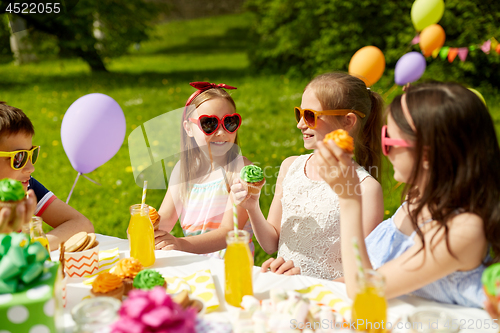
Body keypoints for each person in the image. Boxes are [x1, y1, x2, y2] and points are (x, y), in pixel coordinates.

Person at [316, 82, 500, 308]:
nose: (384, 149)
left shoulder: (462, 231)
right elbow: (379, 272)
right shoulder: (417, 200)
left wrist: (348, 198)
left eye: (388, 140)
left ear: (426, 154)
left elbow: (364, 289)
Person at [232, 73, 384, 280]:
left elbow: (361, 273)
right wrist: (252, 207)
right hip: (285, 291)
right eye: (299, 114)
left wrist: (306, 278)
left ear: (348, 121)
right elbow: (271, 245)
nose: (300, 124)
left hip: (326, 299)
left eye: (310, 116)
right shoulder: (290, 167)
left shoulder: (366, 188)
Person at [154, 82, 254, 258]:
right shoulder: (183, 170)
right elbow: (165, 220)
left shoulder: (241, 170)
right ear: (188, 128)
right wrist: (146, 227)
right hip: (195, 265)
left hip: (231, 267)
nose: (221, 132)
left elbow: (229, 232)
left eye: (229, 122)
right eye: (209, 123)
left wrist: (180, 244)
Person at [0, 102, 94, 250]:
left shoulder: (26, 187)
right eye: (19, 157)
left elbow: (81, 224)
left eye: (32, 154)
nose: (31, 168)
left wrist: (34, 247)